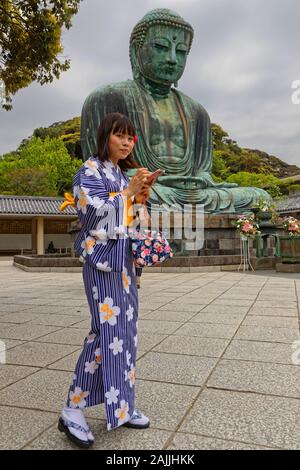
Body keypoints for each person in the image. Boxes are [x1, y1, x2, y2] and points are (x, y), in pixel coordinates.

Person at [80, 8, 272, 213]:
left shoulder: (197, 112)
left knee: (260, 197)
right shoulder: (106, 97)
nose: (172, 58)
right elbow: (100, 165)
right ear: (137, 50)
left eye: (181, 51)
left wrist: (199, 181)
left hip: (191, 193)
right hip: (145, 190)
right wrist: (142, 179)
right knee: (137, 193)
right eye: (161, 47)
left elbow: (203, 171)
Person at [58, 113, 153, 448]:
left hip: (123, 266)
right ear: (105, 137)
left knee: (124, 334)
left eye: (130, 137)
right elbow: (93, 214)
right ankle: (72, 408)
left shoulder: (117, 173)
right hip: (102, 266)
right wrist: (127, 192)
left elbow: (130, 218)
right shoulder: (90, 171)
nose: (126, 143)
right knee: (103, 334)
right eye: (119, 136)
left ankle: (122, 406)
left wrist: (140, 198)